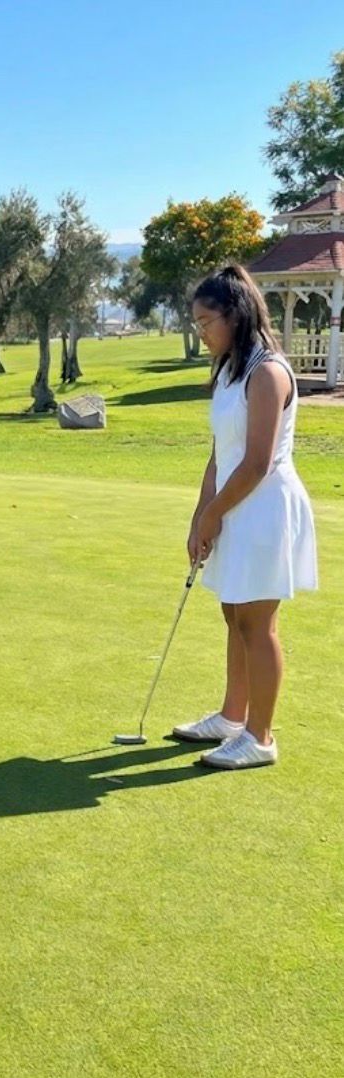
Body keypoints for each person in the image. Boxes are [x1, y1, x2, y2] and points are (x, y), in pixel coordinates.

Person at [174, 263, 317, 769]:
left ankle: (260, 737)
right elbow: (220, 455)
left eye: (205, 322)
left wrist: (215, 513)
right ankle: (232, 718)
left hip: (264, 509)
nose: (201, 332)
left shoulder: (267, 372)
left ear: (233, 315)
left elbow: (257, 462)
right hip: (233, 505)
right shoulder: (230, 372)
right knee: (234, 614)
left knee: (257, 622)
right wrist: (201, 516)